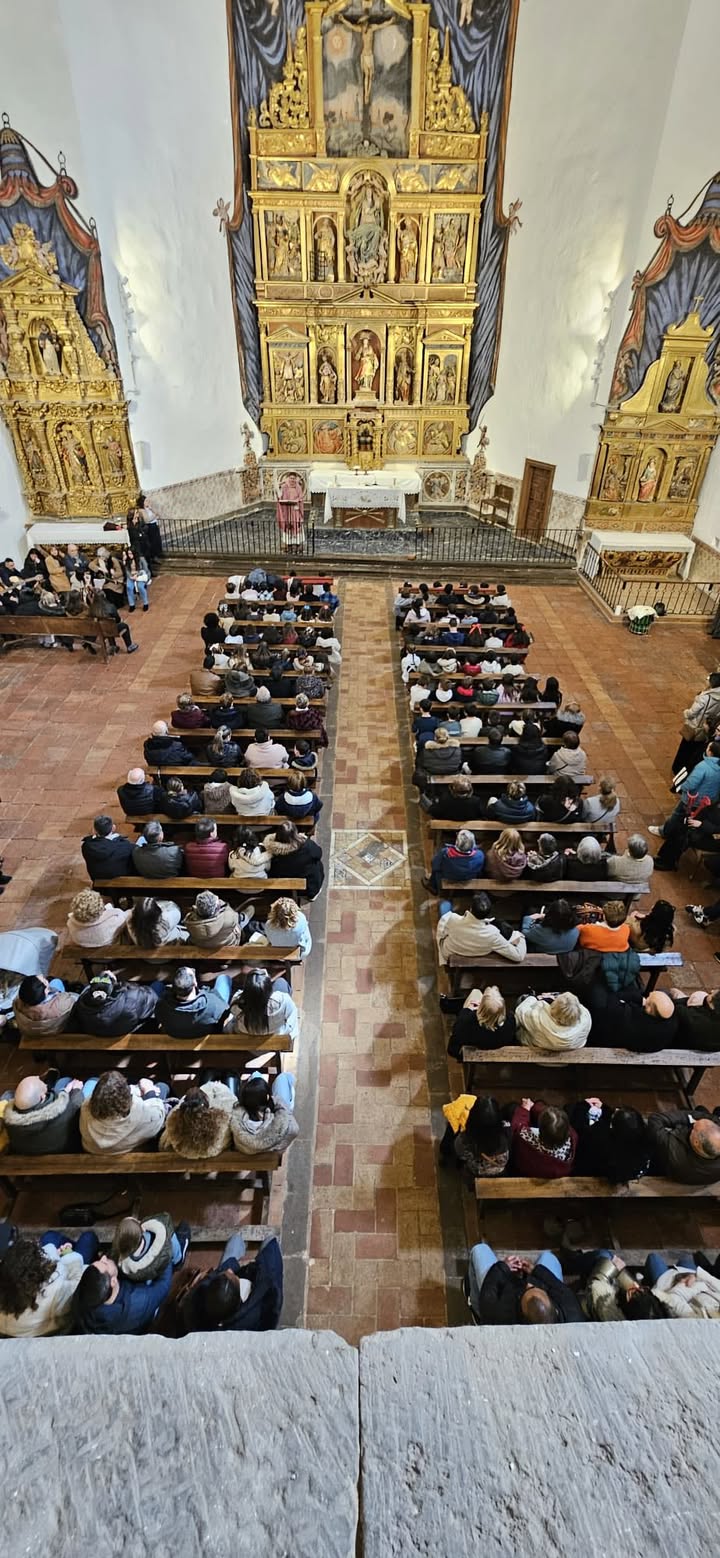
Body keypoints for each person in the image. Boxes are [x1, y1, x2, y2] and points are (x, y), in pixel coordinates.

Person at [177, 1234, 284, 1333]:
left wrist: (233, 1264)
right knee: (269, 1240)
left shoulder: (196, 1305)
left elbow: (218, 1274)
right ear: (239, 1300)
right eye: (235, 1277)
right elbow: (271, 1268)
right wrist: (253, 1265)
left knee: (236, 1240)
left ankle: (240, 1243)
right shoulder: (259, 1306)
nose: (230, 1271)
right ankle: (242, 1243)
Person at [0, 1230, 99, 1337]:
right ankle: (74, 1248)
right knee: (88, 1237)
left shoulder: (8, 1285)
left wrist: (56, 1255)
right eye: (40, 1259)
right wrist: (68, 1254)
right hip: (69, 1273)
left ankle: (69, 1246)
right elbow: (77, 1283)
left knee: (49, 1237)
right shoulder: (53, 1293)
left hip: (54, 1275)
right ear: (35, 1272)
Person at [464, 1244, 585, 1325]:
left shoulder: (502, 1318)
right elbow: (558, 1287)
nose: (528, 1284)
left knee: (479, 1250)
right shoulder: (571, 1311)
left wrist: (503, 1268)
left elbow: (488, 1295)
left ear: (522, 1315)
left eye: (527, 1289)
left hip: (497, 1302)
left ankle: (476, 1312)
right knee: (549, 1257)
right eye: (533, 1286)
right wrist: (534, 1271)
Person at [649, 740, 720, 869]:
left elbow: (690, 784)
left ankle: (667, 858)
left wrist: (684, 788)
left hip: (693, 802)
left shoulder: (703, 766)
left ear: (710, 752)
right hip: (705, 804)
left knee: (679, 826)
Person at [73, 1250, 174, 1335]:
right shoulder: (137, 1301)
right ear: (113, 1281)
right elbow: (163, 1286)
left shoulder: (82, 1298)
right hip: (141, 1316)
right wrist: (166, 1252)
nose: (103, 1257)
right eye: (104, 1263)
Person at [79, 1069, 168, 1153]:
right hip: (127, 1149)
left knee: (92, 1080)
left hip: (92, 1150)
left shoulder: (85, 1108)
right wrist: (149, 1091)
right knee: (163, 1086)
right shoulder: (145, 1117)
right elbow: (158, 1113)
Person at [3, 1072, 86, 1154]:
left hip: (31, 1154)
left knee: (63, 1081)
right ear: (42, 1098)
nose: (46, 1085)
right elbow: (76, 1104)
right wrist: (76, 1089)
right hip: (66, 1152)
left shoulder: (9, 1123)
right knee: (88, 1081)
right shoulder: (64, 1113)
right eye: (43, 1083)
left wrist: (65, 1091)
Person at [570, 1100, 650, 1183]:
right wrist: (605, 1109)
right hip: (629, 1173)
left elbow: (581, 1132)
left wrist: (583, 1106)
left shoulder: (600, 1139)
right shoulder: (643, 1140)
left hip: (595, 1173)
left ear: (612, 1126)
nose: (615, 1110)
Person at [436, 893, 526, 966]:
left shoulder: (454, 920)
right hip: (474, 954)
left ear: (470, 908)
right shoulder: (493, 934)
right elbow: (518, 956)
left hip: (450, 953)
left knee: (445, 905)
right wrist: (520, 936)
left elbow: (443, 931)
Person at [441, 1094, 511, 1179]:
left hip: (475, 1172)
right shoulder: (507, 1131)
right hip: (499, 1172)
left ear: (472, 1117)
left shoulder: (465, 1139)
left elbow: (460, 1154)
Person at [160, 1081, 237, 1158]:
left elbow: (164, 1143)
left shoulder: (174, 1123)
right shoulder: (219, 1121)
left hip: (186, 1153)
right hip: (212, 1152)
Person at [73, 970, 159, 1038]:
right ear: (114, 987)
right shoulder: (131, 999)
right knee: (157, 986)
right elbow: (153, 999)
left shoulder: (81, 1002)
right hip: (125, 1032)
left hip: (97, 1033)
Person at [224, 969, 300, 1044]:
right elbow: (291, 1013)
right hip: (276, 1033)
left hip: (246, 1032)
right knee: (281, 982)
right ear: (269, 988)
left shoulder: (237, 1002)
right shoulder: (282, 1000)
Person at [647, 1106, 720, 1183]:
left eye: (694, 1128)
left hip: (663, 1166)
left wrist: (686, 1115)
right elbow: (714, 1120)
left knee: (699, 1110)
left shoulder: (673, 1149)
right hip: (698, 1176)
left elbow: (655, 1119)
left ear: (696, 1142)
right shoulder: (715, 1149)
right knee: (703, 1110)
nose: (693, 1125)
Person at [112, 1213, 188, 1287]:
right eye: (138, 1221)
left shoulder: (130, 1268)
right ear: (142, 1229)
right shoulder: (158, 1235)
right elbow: (173, 1245)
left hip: (153, 1276)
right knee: (180, 1233)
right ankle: (179, 1261)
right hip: (170, 1259)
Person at [231, 1072, 298, 1156]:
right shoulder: (280, 1123)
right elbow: (294, 1130)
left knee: (256, 1075)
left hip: (249, 1147)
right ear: (267, 1097)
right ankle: (290, 1079)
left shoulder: (237, 1122)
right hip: (271, 1148)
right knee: (283, 1077)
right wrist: (279, 1105)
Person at [156, 965, 232, 1038]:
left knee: (157, 984)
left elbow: (159, 1017)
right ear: (195, 983)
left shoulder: (162, 1004)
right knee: (223, 978)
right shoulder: (211, 1003)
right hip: (203, 1034)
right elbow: (225, 1011)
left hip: (175, 1034)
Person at [510, 1099, 578, 1177]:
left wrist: (525, 1110)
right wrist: (536, 1107)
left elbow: (517, 1126)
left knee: (513, 1107)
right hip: (553, 1173)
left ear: (540, 1130)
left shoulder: (524, 1138)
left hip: (528, 1172)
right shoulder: (572, 1139)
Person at [447, 985, 516, 1059]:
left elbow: (453, 1045)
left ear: (481, 1006)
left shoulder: (466, 1020)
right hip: (495, 1044)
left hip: (476, 1046)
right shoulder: (510, 1021)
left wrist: (469, 1009)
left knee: (476, 992)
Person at [264, 821, 324, 899]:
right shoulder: (307, 847)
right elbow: (318, 853)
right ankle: (312, 894)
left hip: (281, 882)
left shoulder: (271, 848)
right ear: (295, 833)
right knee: (316, 864)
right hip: (303, 885)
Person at [515, 990, 591, 1052]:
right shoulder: (585, 1019)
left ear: (554, 1008)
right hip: (569, 1057)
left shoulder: (536, 1018)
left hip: (539, 1058)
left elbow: (520, 1012)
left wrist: (533, 998)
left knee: (521, 1000)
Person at [12, 973, 78, 1038]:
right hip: (58, 1028)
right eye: (44, 980)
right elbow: (74, 999)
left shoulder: (18, 1003)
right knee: (56, 982)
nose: (42, 975)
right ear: (46, 991)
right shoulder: (61, 1004)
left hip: (34, 1031)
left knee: (55, 982)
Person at [423, 828, 484, 894]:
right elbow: (479, 869)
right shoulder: (480, 855)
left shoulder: (445, 852)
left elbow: (434, 864)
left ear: (457, 842)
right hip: (469, 877)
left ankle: (433, 887)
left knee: (436, 869)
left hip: (448, 876)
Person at [184, 889, 249, 951]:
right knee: (250, 910)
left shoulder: (189, 921)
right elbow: (234, 917)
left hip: (201, 947)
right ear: (217, 907)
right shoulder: (229, 916)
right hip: (228, 946)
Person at [81, 815, 135, 880]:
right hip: (120, 877)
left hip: (97, 877)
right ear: (113, 828)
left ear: (95, 830)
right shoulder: (125, 846)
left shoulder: (86, 846)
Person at [668, 986, 720, 1052]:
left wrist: (703, 1000)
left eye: (711, 993)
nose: (712, 991)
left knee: (665, 992)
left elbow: (673, 1006)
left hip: (676, 1044)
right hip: (700, 1048)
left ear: (710, 1001)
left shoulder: (686, 1015)